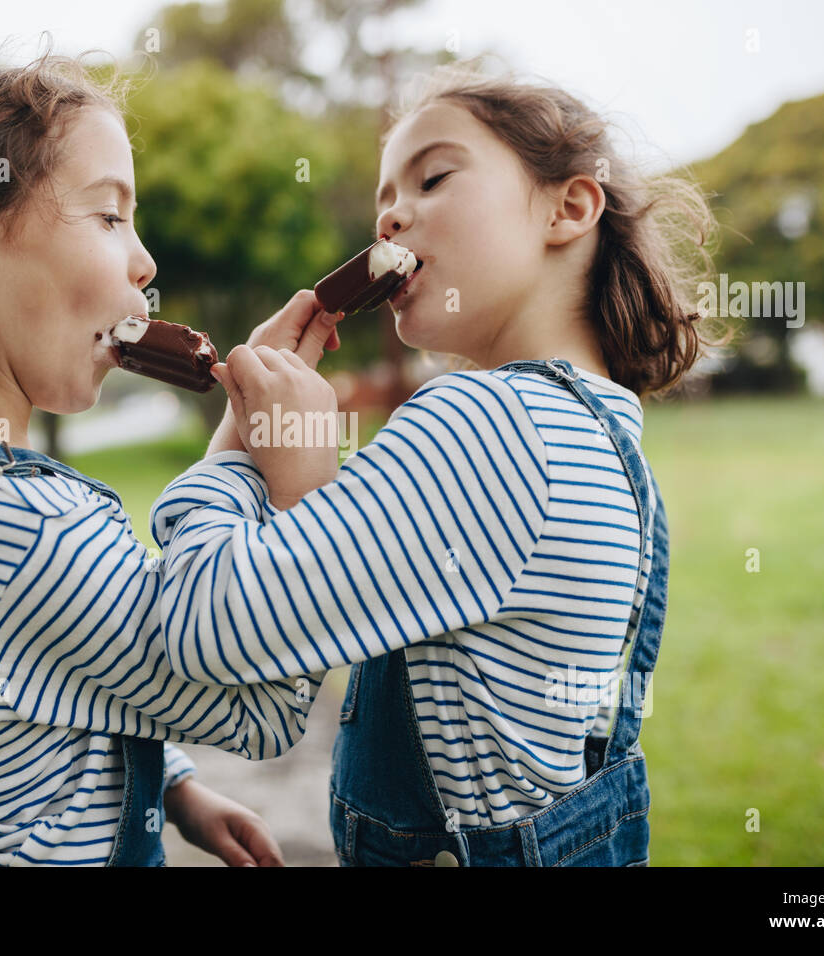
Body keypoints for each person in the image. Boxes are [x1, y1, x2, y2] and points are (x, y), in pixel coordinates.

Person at [152, 63, 732, 866]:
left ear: (569, 207)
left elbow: (206, 626)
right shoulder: (592, 431)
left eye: (432, 178)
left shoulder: (492, 424)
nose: (390, 219)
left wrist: (236, 446)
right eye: (383, 202)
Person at [0, 51, 338, 866]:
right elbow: (262, 712)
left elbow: (48, 677)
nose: (145, 262)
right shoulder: (33, 531)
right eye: (108, 217)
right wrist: (295, 478)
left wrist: (171, 786)